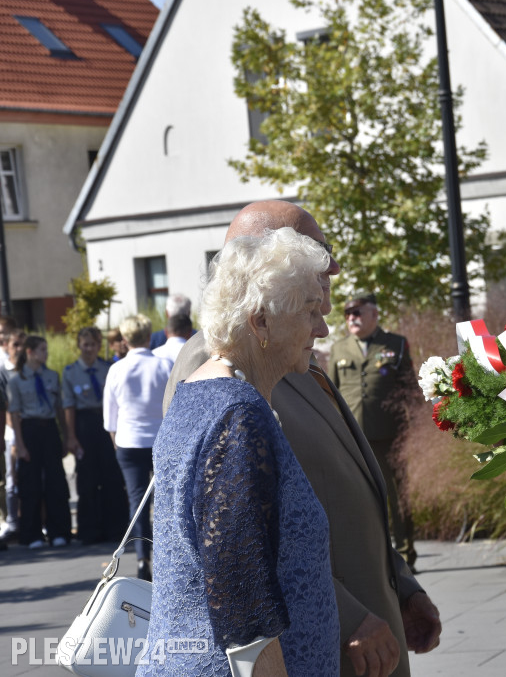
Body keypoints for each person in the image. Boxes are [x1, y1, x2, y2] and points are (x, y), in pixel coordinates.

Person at [165, 200, 441, 677]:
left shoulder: (286, 351)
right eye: (317, 250)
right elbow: (239, 563)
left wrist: (401, 585)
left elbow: (333, 499)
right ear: (261, 303)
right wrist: (352, 615)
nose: (332, 267)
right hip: (311, 647)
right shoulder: (219, 377)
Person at [141, 228, 340, 676]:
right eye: (310, 310)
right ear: (261, 322)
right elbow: (241, 596)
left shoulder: (205, 393)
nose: (323, 327)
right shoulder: (236, 413)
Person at [328, 292, 418, 569]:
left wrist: (413, 429)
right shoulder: (339, 349)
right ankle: (373, 555)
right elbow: (331, 392)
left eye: (358, 313)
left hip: (390, 434)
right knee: (360, 497)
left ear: (374, 315)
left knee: (397, 496)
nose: (352, 318)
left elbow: (411, 390)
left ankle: (404, 553)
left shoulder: (395, 344)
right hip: (354, 436)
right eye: (347, 314)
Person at [103, 315, 173, 580]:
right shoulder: (164, 364)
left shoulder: (116, 369)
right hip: (159, 440)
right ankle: (167, 556)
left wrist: (117, 444)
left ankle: (143, 557)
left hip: (129, 441)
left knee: (137, 501)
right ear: (148, 336)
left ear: (125, 339)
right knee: (166, 502)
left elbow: (110, 417)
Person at [62, 326, 129, 544]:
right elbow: (69, 407)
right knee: (87, 478)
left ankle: (116, 528)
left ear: (99, 345)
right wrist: (71, 436)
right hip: (84, 425)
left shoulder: (108, 368)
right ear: (79, 346)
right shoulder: (71, 372)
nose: (89, 349)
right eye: (85, 344)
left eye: (93, 344)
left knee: (112, 477)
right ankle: (89, 531)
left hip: (106, 423)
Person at [7, 335, 72, 548]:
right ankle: (32, 534)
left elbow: (60, 409)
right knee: (30, 484)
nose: (46, 353)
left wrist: (66, 436)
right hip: (29, 429)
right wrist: (21, 444)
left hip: (49, 428)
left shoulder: (52, 376)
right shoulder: (16, 379)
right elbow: (15, 413)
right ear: (30, 352)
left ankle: (59, 531)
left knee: (56, 482)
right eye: (42, 349)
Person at [1, 328, 24, 542]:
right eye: (15, 344)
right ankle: (12, 523)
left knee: (32, 477)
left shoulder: (28, 370)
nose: (19, 349)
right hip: (11, 432)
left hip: (29, 430)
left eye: (22, 345)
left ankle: (34, 522)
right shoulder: (3, 371)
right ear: (6, 346)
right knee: (11, 478)